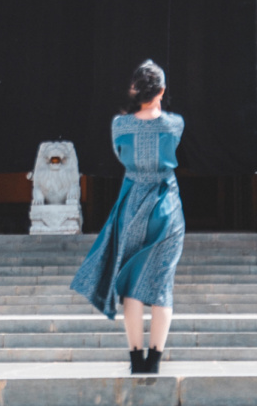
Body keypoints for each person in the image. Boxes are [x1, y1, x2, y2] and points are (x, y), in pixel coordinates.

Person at [70, 60, 185, 375]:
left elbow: (122, 156)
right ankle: (155, 360)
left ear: (136, 90)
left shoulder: (119, 125)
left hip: (132, 206)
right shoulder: (175, 124)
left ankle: (136, 360)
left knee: (131, 285)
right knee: (162, 284)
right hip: (166, 208)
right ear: (161, 90)